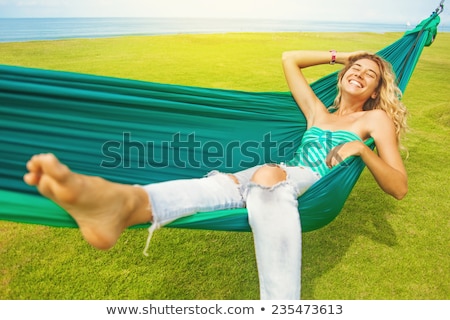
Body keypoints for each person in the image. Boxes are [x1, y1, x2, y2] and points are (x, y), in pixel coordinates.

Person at [23, 50, 408, 300]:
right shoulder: (318, 112)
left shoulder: (374, 119)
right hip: (276, 178)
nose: (358, 73)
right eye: (354, 69)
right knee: (221, 183)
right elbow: (289, 59)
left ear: (376, 90)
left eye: (369, 74)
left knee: (270, 173)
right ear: (342, 74)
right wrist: (339, 56)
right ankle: (121, 205)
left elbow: (399, 187)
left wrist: (361, 149)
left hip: (312, 181)